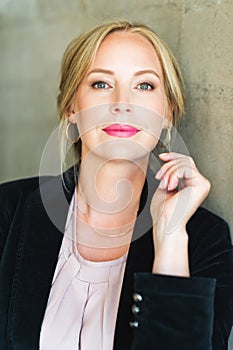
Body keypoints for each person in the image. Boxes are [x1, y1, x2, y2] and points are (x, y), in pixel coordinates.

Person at [0, 20, 232, 350]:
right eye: (101, 84)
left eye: (145, 86)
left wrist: (169, 241)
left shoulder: (206, 241)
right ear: (72, 109)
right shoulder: (8, 211)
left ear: (167, 114)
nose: (123, 103)